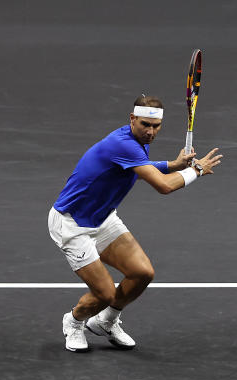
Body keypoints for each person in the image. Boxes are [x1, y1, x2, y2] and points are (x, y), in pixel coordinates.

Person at [48, 95, 223, 352]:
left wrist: (172, 165)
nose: (151, 132)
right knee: (105, 294)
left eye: (156, 126)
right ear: (132, 119)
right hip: (71, 225)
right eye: (145, 125)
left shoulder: (136, 142)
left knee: (142, 273)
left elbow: (138, 168)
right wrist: (195, 170)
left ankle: (106, 322)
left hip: (102, 217)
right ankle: (73, 322)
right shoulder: (123, 144)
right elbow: (163, 186)